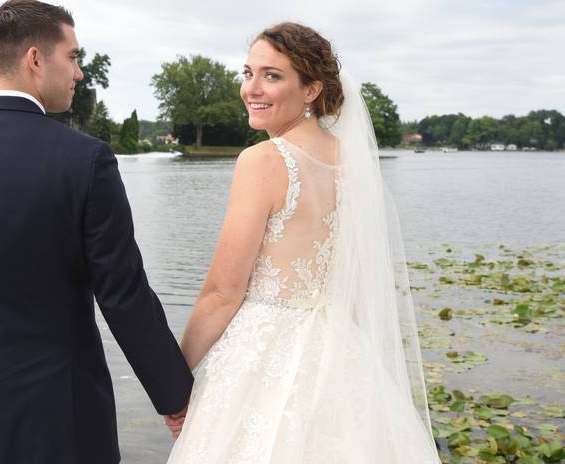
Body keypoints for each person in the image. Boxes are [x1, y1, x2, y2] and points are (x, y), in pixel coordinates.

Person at [0, 0, 192, 464]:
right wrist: (176, 397)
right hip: (59, 419)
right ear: (36, 59)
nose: (79, 73)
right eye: (73, 57)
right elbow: (124, 295)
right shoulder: (86, 160)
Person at [165, 23, 440, 462]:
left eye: (272, 76)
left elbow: (222, 292)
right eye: (248, 72)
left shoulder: (263, 159)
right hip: (340, 354)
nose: (251, 88)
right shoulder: (354, 162)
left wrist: (173, 379)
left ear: (311, 89)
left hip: (262, 356)